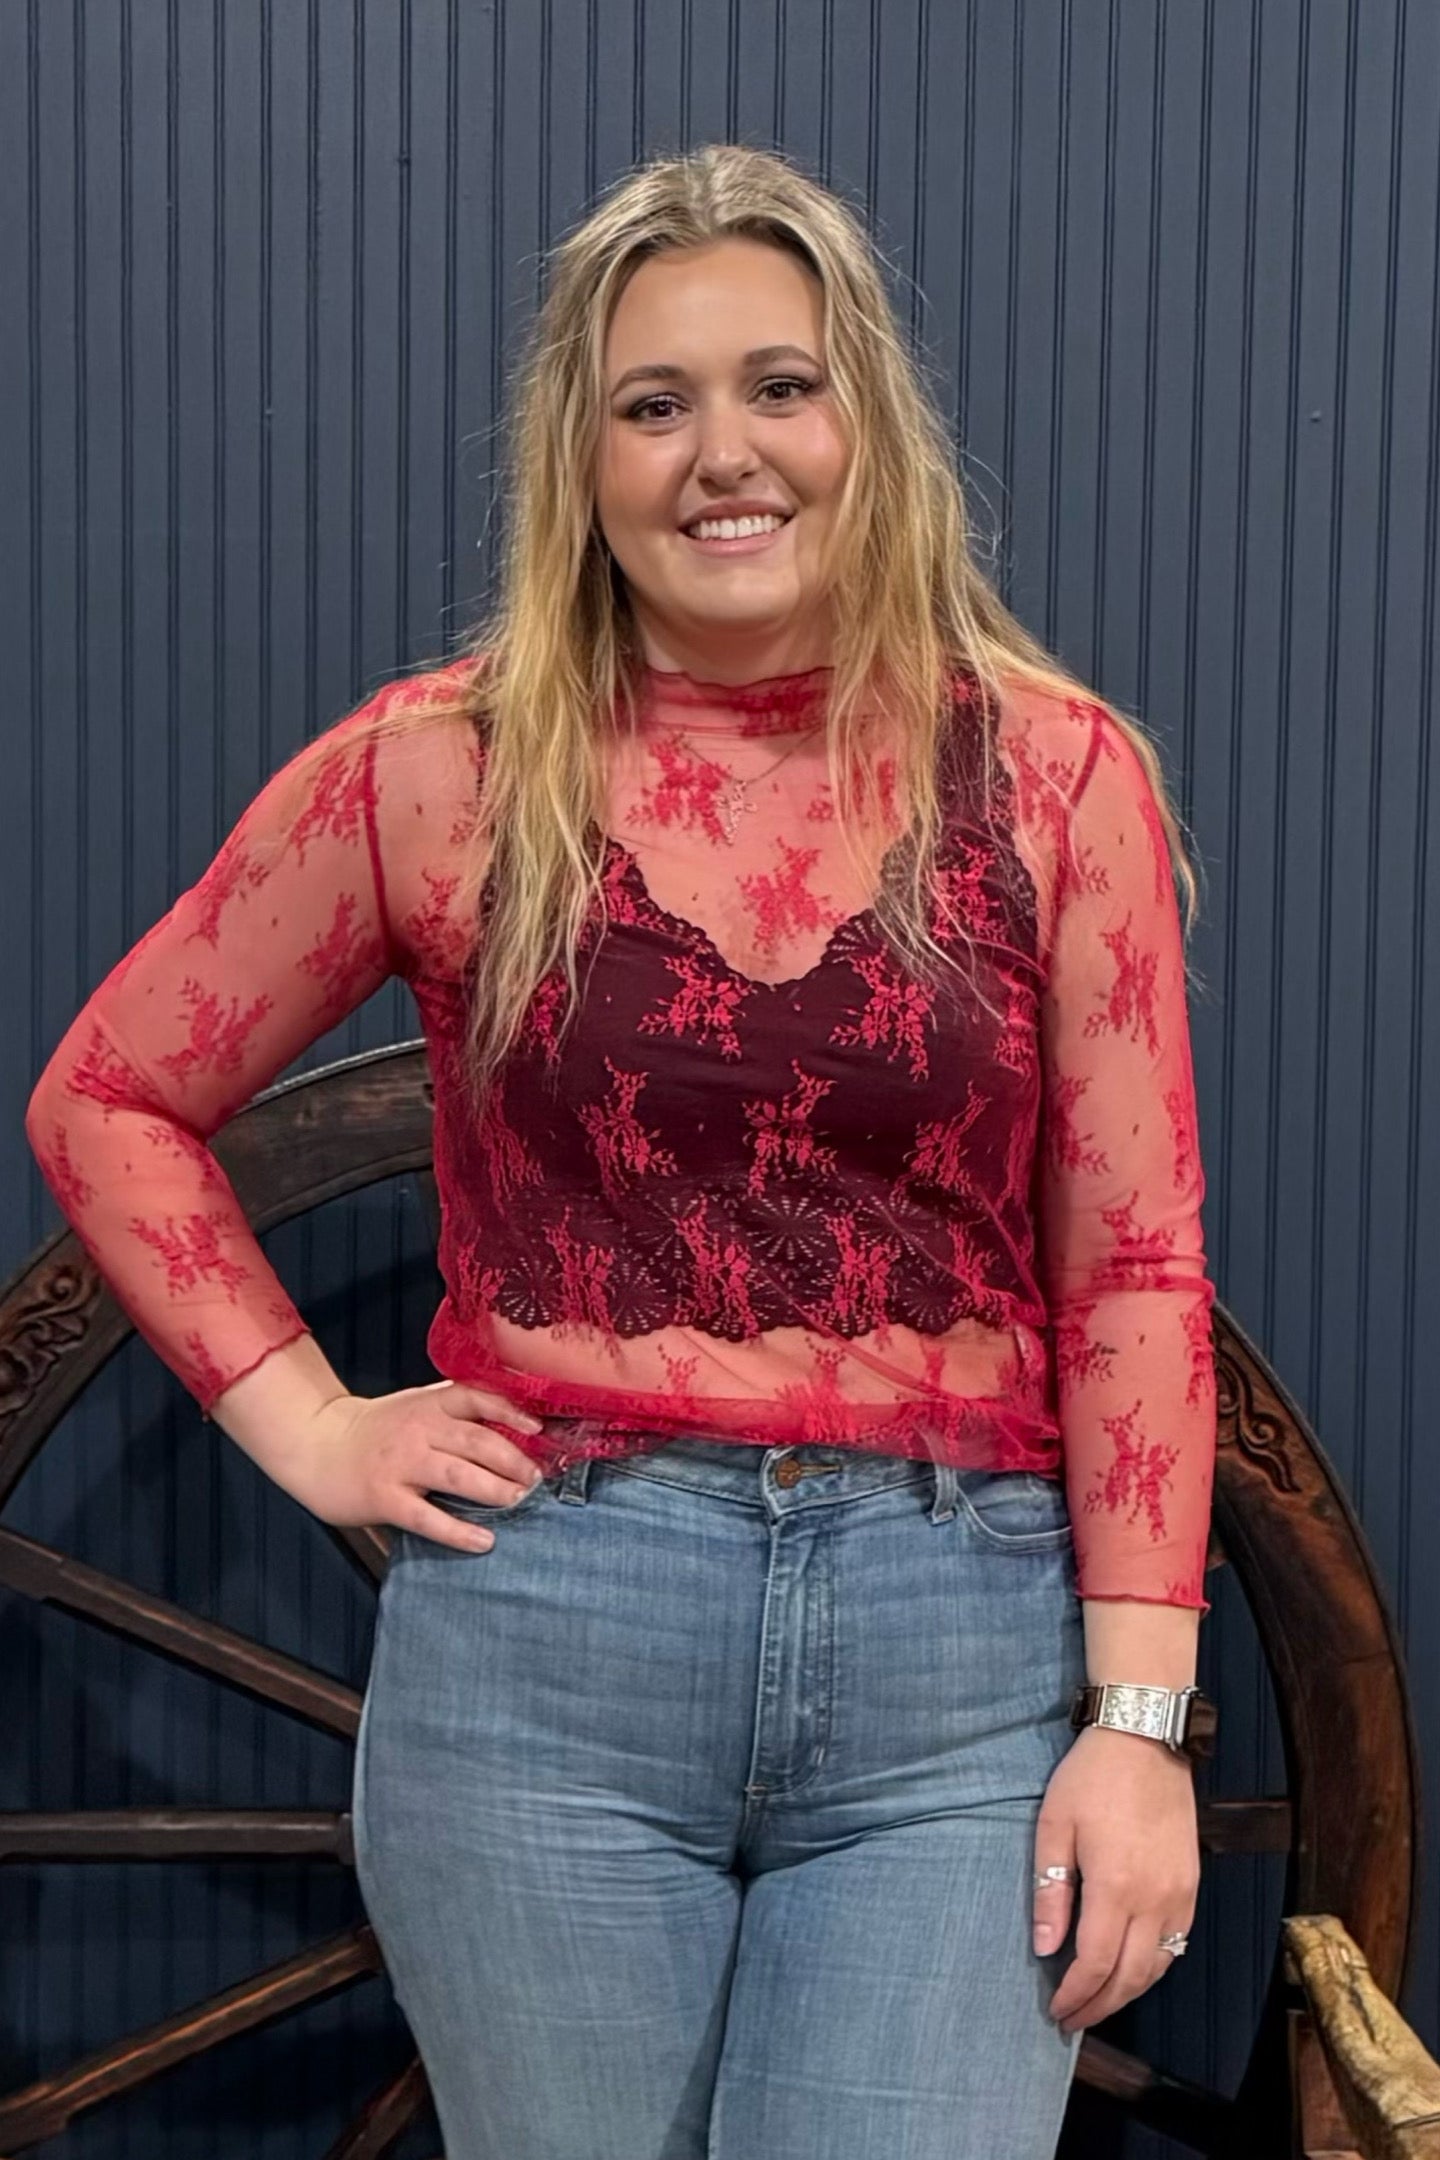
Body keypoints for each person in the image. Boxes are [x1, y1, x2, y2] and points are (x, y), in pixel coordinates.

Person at [24, 142, 1217, 2160]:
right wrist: (314, 1430)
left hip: (957, 1676)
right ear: (579, 463)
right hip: (545, 1660)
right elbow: (111, 1099)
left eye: (780, 386)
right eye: (653, 404)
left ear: (866, 423)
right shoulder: (440, 772)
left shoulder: (1051, 777)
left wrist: (1140, 1723)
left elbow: (1136, 1275)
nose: (722, 453)